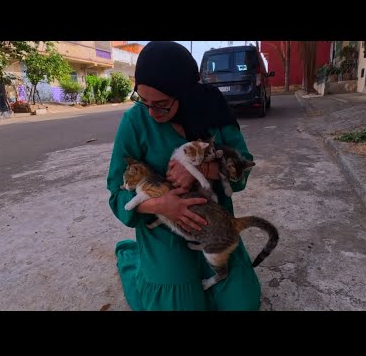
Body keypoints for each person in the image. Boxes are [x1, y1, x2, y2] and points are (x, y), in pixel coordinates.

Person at [106, 41, 261, 311]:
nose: (153, 113)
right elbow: (116, 194)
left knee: (242, 305)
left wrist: (203, 169)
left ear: (185, 92)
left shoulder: (213, 110)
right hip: (164, 230)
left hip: (213, 226)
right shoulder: (135, 121)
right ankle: (133, 260)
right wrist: (161, 205)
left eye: (162, 104)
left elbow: (241, 172)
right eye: (144, 102)